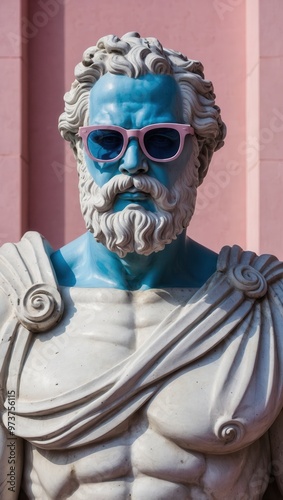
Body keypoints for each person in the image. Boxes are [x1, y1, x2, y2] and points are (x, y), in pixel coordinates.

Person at [0, 32, 282, 499]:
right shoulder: (12, 304)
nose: (132, 163)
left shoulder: (263, 312)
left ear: (202, 156)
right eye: (107, 142)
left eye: (162, 141)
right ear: (79, 153)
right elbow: (8, 473)